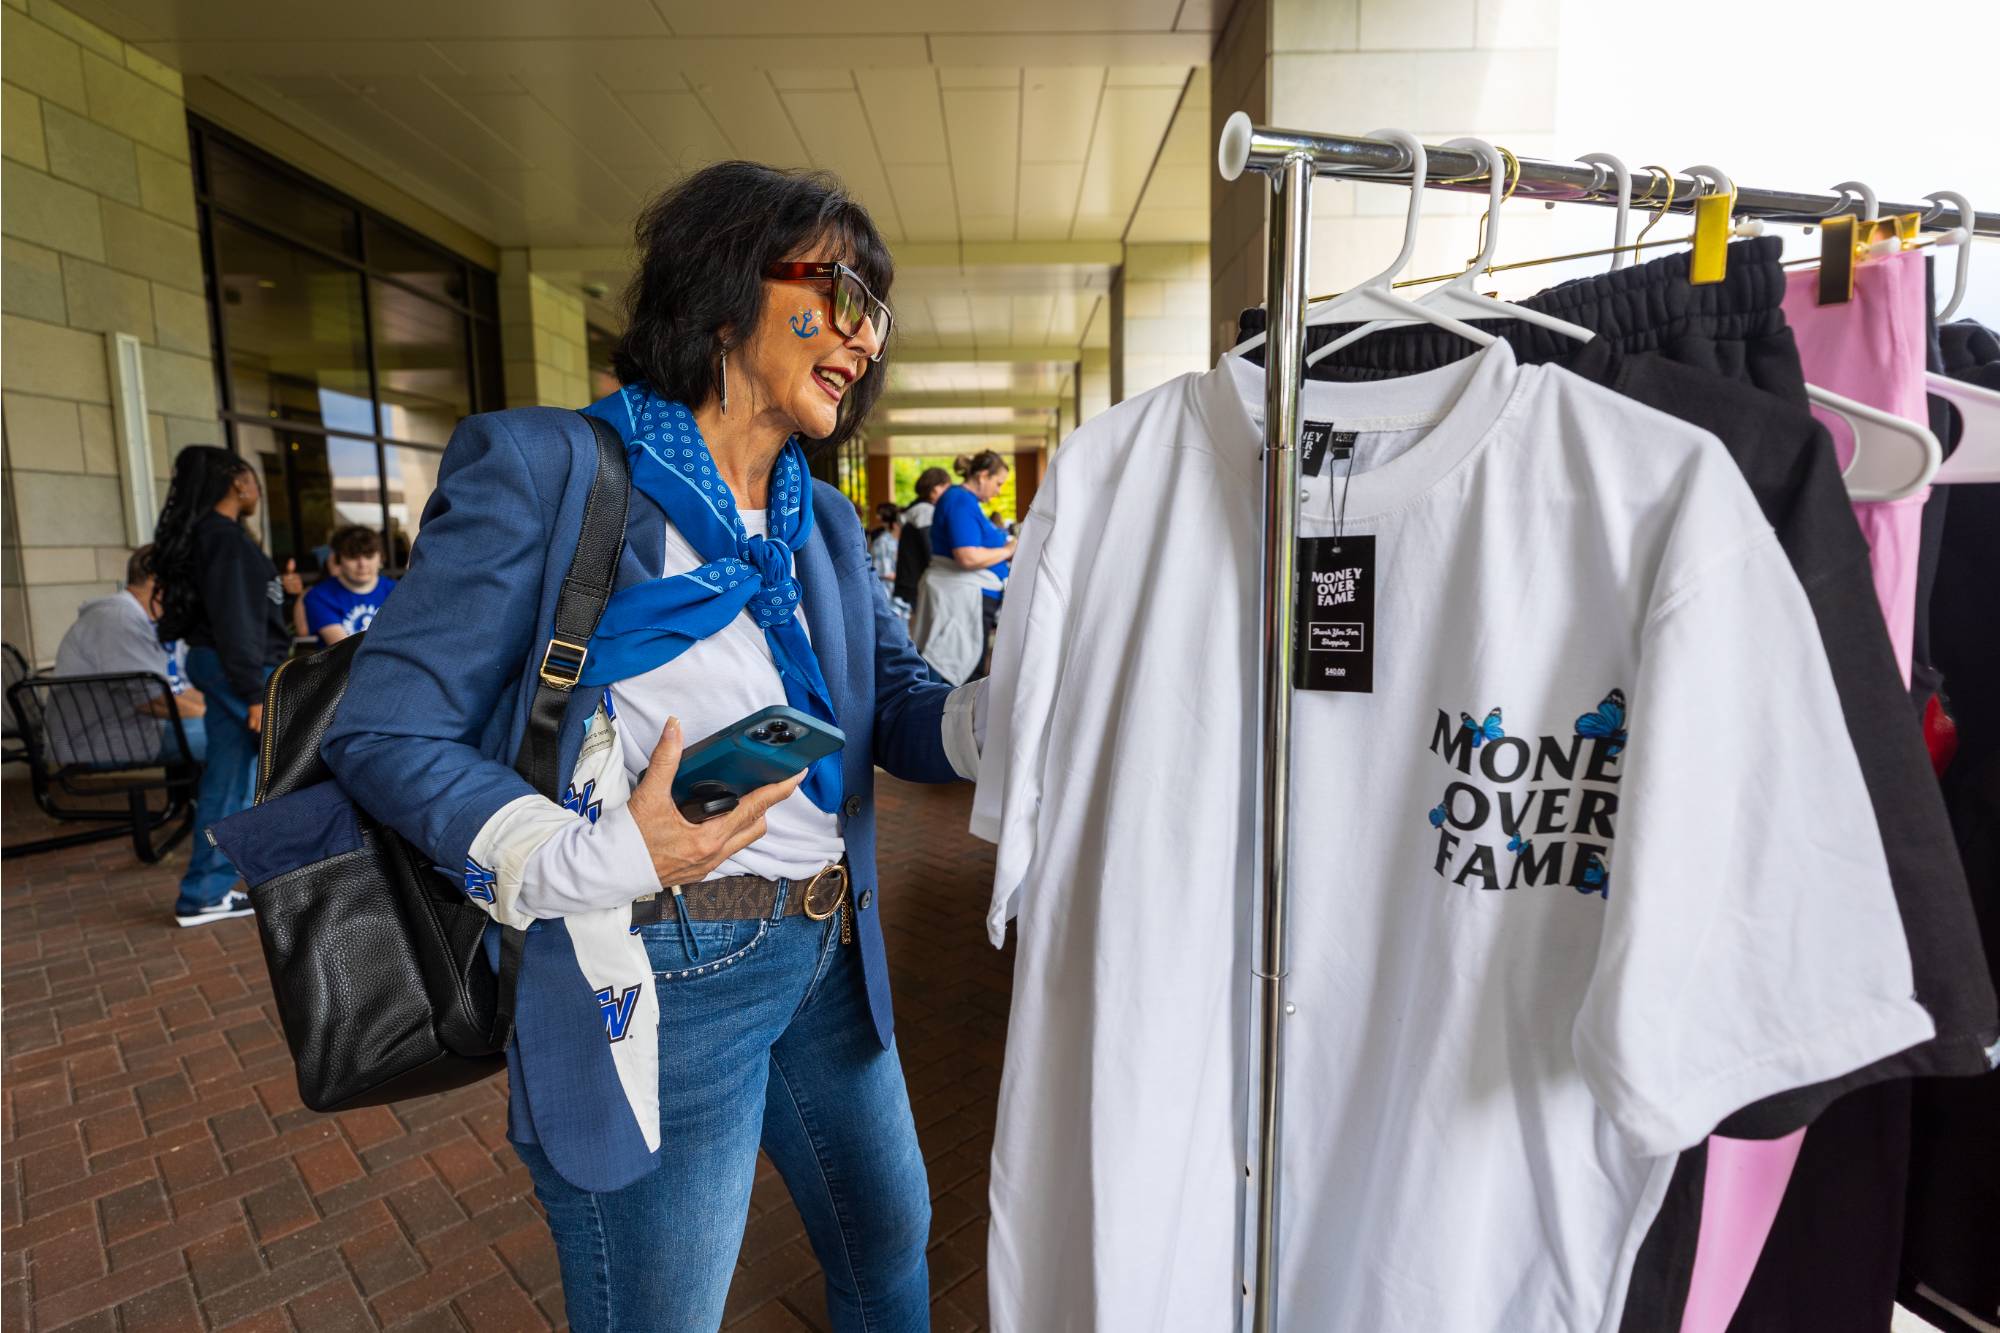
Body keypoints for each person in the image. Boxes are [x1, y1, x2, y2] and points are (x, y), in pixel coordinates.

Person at [321, 161, 984, 1333]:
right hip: (653, 968)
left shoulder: (822, 519)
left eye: (877, 313)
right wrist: (602, 854)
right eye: (840, 293)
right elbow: (384, 729)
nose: (864, 336)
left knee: (887, 1245)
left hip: (829, 947)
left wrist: (1019, 711)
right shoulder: (551, 471)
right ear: (724, 291)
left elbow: (898, 710)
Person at [153, 447, 295, 927]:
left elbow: (238, 610)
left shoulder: (214, 536)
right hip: (239, 670)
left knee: (228, 779)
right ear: (237, 482)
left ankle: (205, 891)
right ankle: (211, 889)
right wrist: (254, 694)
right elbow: (234, 623)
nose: (258, 490)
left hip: (226, 666)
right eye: (254, 479)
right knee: (251, 778)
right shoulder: (223, 538)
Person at [48, 545, 207, 767]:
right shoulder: (117, 619)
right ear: (156, 581)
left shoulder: (152, 620)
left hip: (135, 730)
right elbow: (152, 701)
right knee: (234, 738)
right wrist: (216, 715)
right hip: (96, 742)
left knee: (234, 729)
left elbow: (180, 687)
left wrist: (224, 709)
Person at [910, 451, 1015, 685]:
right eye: (998, 483)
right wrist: (1008, 550)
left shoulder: (966, 502)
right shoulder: (960, 500)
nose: (999, 491)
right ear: (983, 476)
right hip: (963, 600)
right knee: (961, 682)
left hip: (972, 599)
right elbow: (967, 556)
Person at [303, 525, 397, 645]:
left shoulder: (399, 591)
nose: (362, 564)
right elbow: (345, 649)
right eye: (353, 557)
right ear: (337, 560)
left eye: (369, 556)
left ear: (381, 558)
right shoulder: (320, 596)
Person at [892, 467, 949, 611]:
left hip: (910, 581)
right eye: (946, 488)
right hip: (919, 582)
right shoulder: (925, 511)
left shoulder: (915, 509)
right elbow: (930, 549)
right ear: (935, 489)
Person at [868, 502, 901, 605]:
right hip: (888, 594)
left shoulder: (895, 540)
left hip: (896, 594)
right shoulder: (883, 541)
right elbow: (884, 572)